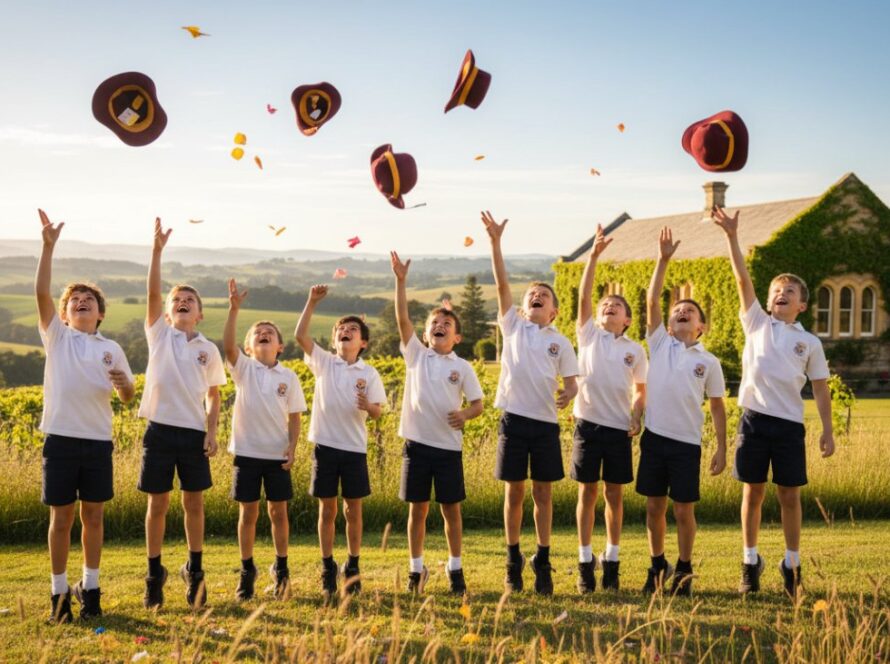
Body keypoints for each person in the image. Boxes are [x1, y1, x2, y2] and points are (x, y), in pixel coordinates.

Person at [712, 206, 833, 598]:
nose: (781, 294)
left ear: (802, 306)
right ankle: (750, 561)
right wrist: (732, 236)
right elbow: (741, 278)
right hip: (752, 422)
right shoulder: (756, 324)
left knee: (789, 495)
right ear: (767, 302)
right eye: (776, 291)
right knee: (752, 492)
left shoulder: (809, 342)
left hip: (788, 427)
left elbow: (819, 388)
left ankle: (792, 564)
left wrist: (828, 431)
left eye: (790, 292)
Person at [35, 209, 135, 621]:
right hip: (59, 438)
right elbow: (41, 294)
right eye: (74, 301)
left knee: (93, 516)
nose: (81, 303)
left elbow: (129, 396)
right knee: (61, 519)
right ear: (64, 315)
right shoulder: (57, 337)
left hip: (97, 442)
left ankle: (90, 587)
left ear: (100, 314)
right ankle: (59, 594)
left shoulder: (111, 349)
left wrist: (121, 384)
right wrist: (47, 247)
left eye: (88, 301)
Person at [482, 210, 579, 595]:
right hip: (513, 420)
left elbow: (572, 383)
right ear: (522, 308)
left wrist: (570, 392)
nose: (537, 296)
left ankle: (542, 557)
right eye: (532, 296)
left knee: (543, 493)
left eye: (545, 296)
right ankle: (512, 558)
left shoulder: (561, 341)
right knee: (514, 491)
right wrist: (494, 242)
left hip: (544, 425)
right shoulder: (514, 326)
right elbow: (502, 282)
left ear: (554, 311)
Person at [139, 219, 227, 610]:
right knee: (157, 504)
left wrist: (211, 431)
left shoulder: (208, 349)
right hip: (159, 432)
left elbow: (214, 395)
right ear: (169, 313)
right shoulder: (159, 334)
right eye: (177, 301)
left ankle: (195, 572)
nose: (182, 302)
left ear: (200, 313)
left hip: (192, 434)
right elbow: (154, 290)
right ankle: (154, 576)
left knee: (194, 504)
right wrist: (157, 251)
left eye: (189, 300)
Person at [638, 226, 727, 596]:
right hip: (655, 439)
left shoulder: (708, 362)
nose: (681, 313)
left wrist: (722, 447)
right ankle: (658, 565)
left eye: (689, 311)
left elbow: (719, 408)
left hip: (687, 444)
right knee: (654, 508)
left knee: (682, 511)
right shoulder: (659, 345)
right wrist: (663, 260)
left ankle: (684, 570)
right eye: (678, 311)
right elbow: (653, 299)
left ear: (701, 327)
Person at [390, 251, 484, 595]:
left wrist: (465, 414)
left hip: (447, 449)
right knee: (417, 511)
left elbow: (478, 405)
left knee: (450, 512)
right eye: (434, 324)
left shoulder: (463, 368)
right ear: (426, 334)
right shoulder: (416, 354)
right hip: (416, 447)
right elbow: (402, 319)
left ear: (456, 337)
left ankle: (455, 568)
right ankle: (416, 570)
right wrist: (401, 282)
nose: (439, 326)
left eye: (447, 325)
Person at [295, 284, 386, 599]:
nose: (346, 332)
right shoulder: (324, 362)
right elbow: (300, 336)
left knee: (353, 510)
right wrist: (312, 301)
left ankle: (353, 564)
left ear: (363, 342)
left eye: (353, 330)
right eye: (341, 330)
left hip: (354, 450)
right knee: (327, 509)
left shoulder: (369, 373)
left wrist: (368, 406)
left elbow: (377, 413)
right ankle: (327, 566)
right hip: (325, 446)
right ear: (335, 341)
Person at [572, 224, 647, 592]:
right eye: (606, 305)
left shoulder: (635, 350)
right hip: (587, 425)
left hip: (618, 429)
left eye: (616, 306)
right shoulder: (587, 334)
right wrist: (594, 256)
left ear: (627, 320)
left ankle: (612, 558)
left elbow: (640, 390)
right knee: (586, 492)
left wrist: (636, 414)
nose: (608, 306)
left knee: (613, 494)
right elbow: (585, 295)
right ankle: (585, 560)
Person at [223, 279, 306, 601]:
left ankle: (281, 569)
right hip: (246, 452)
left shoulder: (289, 377)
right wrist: (234, 309)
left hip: (276, 455)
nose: (264, 333)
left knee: (278, 512)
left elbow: (295, 415)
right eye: (257, 333)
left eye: (269, 333)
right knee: (248, 513)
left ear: (280, 347)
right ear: (249, 348)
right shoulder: (243, 369)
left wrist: (292, 447)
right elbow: (228, 346)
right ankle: (247, 571)